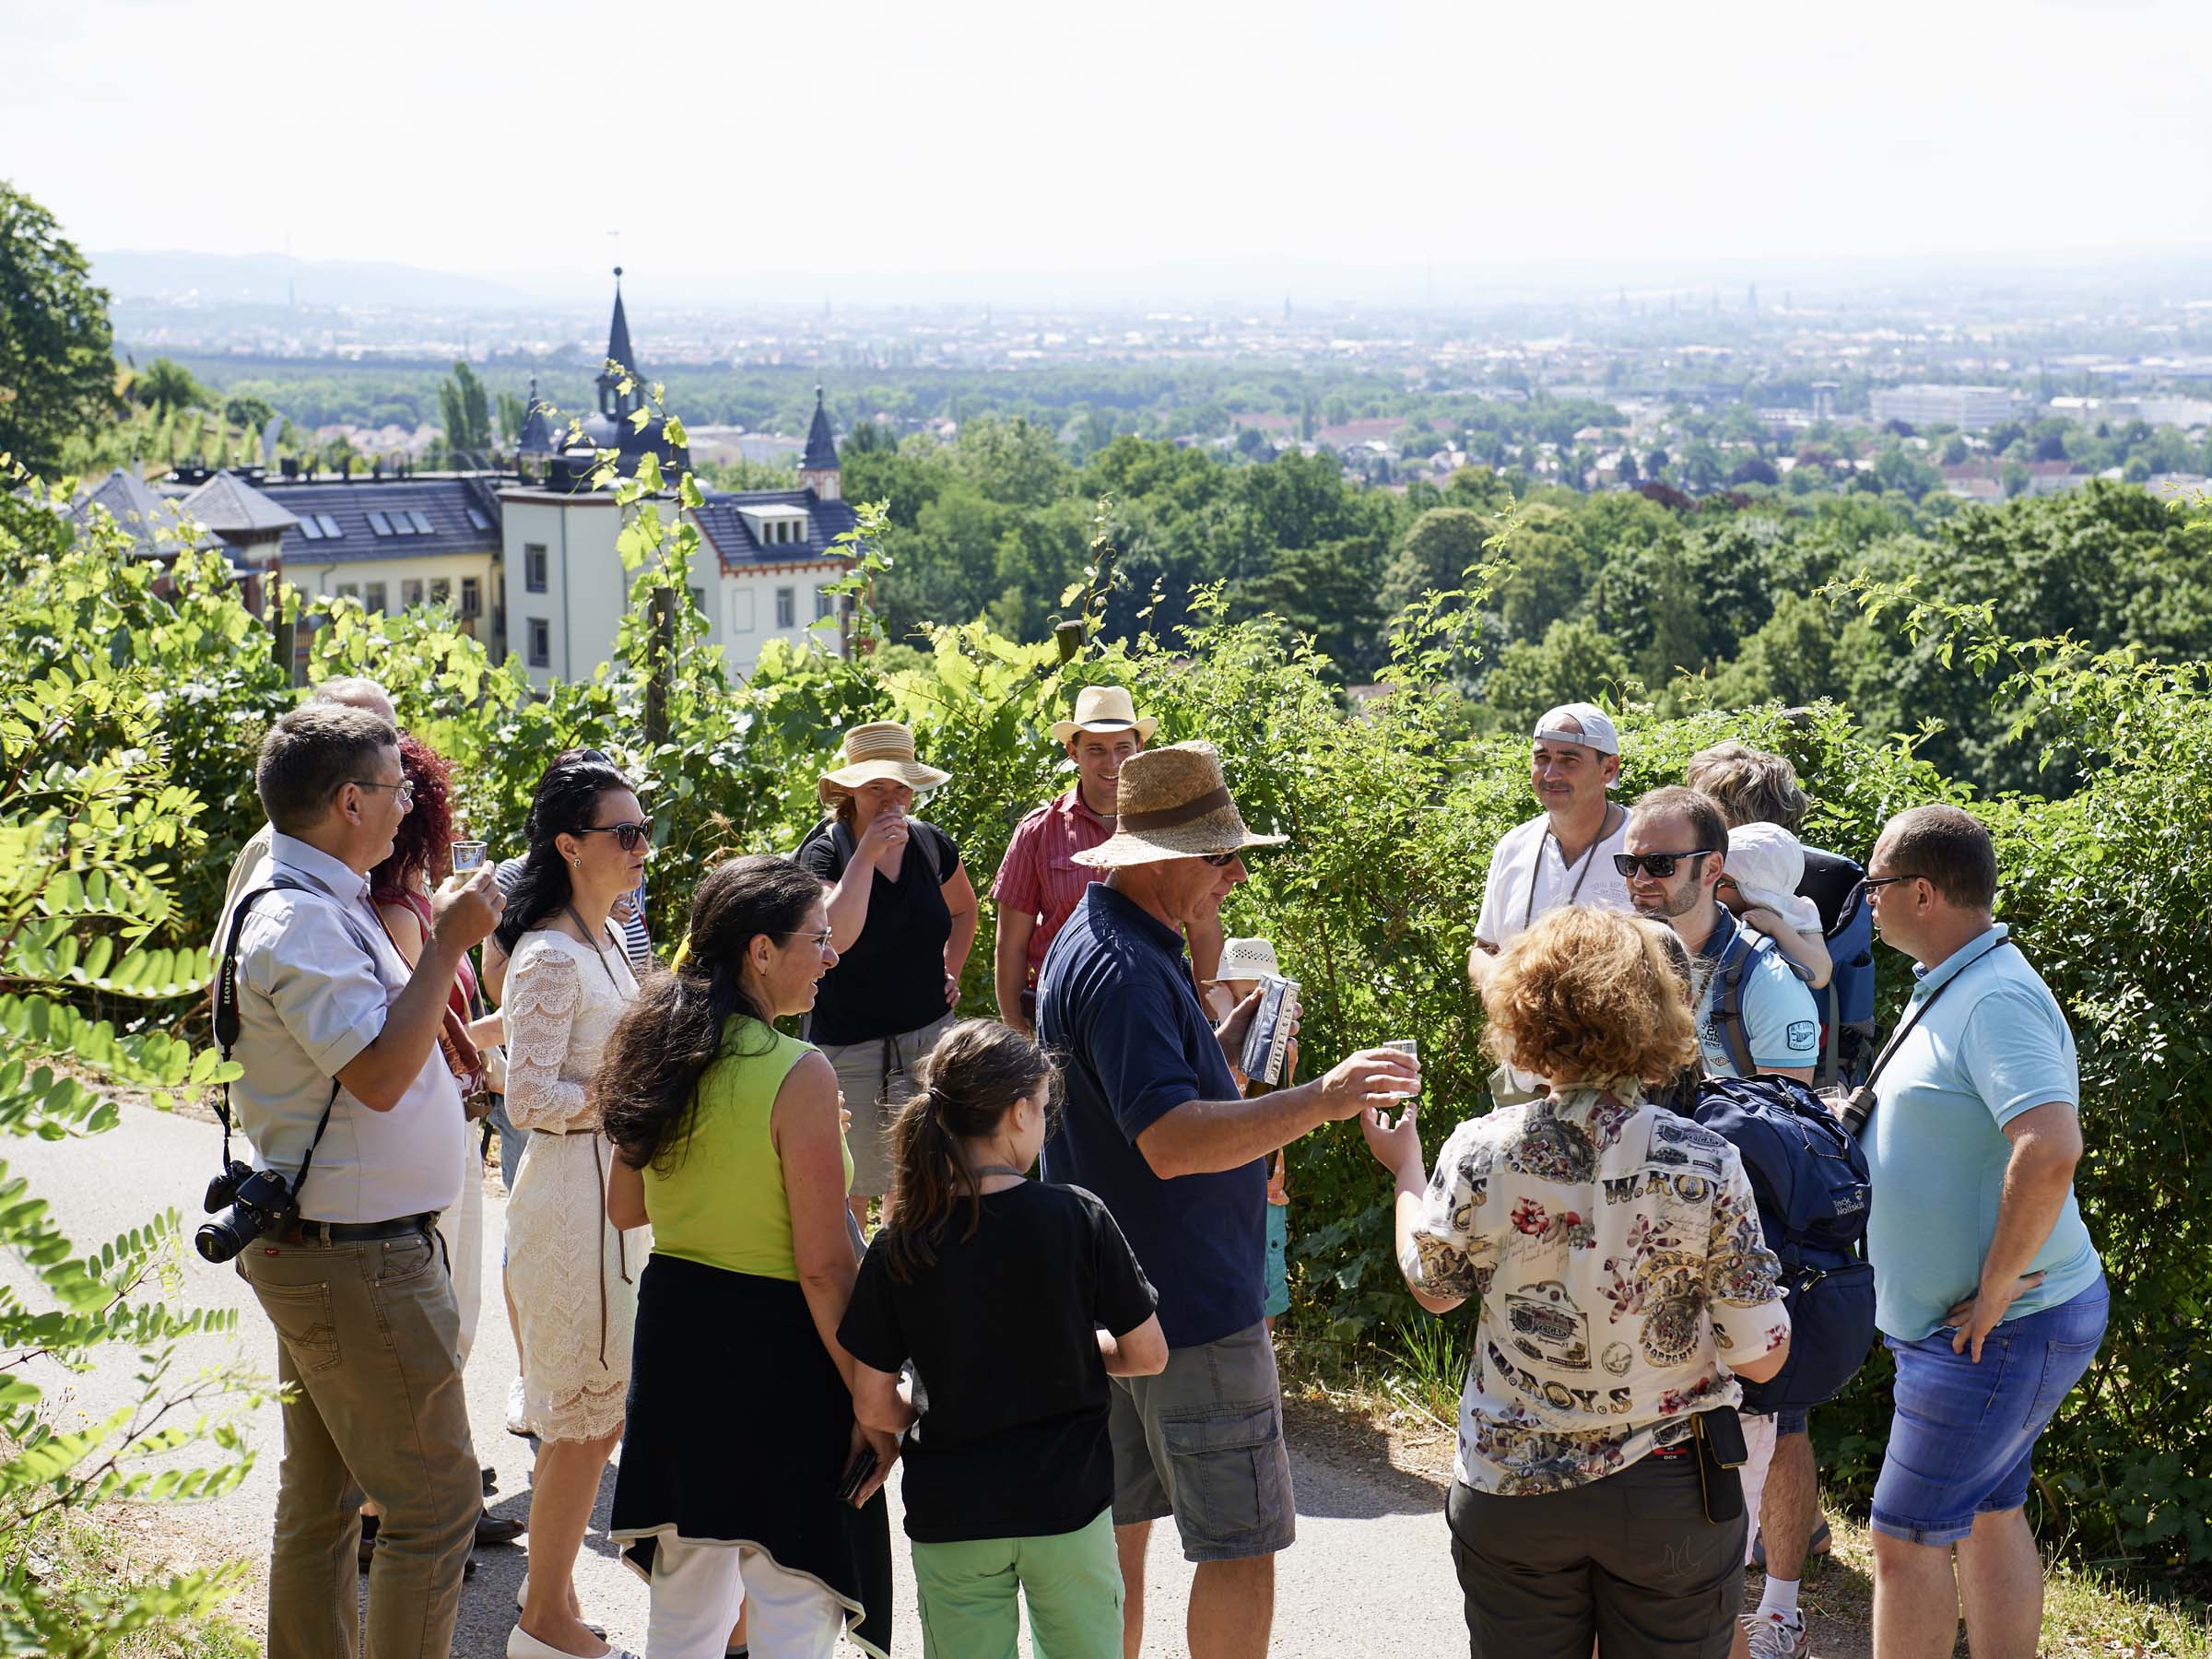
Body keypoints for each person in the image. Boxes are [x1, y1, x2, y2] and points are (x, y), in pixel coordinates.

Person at [1036, 740, 1417, 1659]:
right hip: (1190, 1312)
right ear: (1159, 857)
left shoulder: (1102, 944)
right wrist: (1324, 1098)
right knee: (1241, 1550)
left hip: (1116, 1301)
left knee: (1110, 1548)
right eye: (1221, 855)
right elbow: (1169, 1142)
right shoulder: (1127, 968)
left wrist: (1223, 1048)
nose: (1236, 875)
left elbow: (1145, 1100)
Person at [1360, 905, 1793, 1659]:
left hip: (1511, 1486)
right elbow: (1761, 1356)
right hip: (1670, 1497)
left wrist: (1404, 1167)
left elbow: (1435, 1287)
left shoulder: (1478, 1149)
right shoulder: (1704, 1160)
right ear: (1656, 1014)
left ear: (1523, 1016)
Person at [215, 701, 503, 1659]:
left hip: (338, 1246)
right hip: (359, 1260)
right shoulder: (299, 918)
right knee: (434, 1506)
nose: (408, 803)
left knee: (325, 1498)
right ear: (349, 800)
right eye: (397, 787)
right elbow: (378, 1076)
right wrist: (454, 939)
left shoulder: (319, 899)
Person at [601, 856, 895, 1659]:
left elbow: (625, 1209)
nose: (831, 955)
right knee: (792, 1610)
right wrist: (872, 1398)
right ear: (760, 951)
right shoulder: (797, 1070)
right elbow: (825, 1266)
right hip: (779, 1349)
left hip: (678, 1333)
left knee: (685, 1613)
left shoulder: (653, 1042)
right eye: (819, 939)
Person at [1857, 806, 2105, 1659]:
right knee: (1990, 1513)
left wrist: (1995, 1286)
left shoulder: (1992, 995)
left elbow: (2050, 1149)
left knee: (1904, 1538)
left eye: (1876, 885)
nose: (1869, 900)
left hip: (1991, 1330)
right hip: (1981, 1329)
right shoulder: (1959, 977)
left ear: (1922, 892)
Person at [840, 1019, 1169, 1659]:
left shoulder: (901, 1241)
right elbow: (1147, 1353)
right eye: (1044, 1109)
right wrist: (1082, 1349)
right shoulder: (1078, 1217)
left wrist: (920, 1417)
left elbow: (872, 1399)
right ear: (1019, 1113)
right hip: (1067, 1508)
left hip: (954, 1515)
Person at [494, 757, 652, 1659]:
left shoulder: (603, 938)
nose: (640, 848)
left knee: (593, 1419)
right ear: (569, 845)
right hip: (568, 1205)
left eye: (642, 830)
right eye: (622, 833)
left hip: (607, 1204)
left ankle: (544, 1609)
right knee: (582, 1419)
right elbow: (526, 1099)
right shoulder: (552, 953)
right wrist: (629, 1098)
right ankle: (544, 1618)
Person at [364, 732, 524, 1567]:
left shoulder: (419, 904)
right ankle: (408, 1511)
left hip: (455, 1122)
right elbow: (413, 1031)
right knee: (435, 1323)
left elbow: (447, 1026)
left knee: (452, 1318)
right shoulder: (396, 910)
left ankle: (443, 1496)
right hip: (430, 1133)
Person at [799, 721, 979, 1229]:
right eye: (876, 786)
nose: (891, 799)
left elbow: (965, 912)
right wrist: (867, 857)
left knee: (918, 1175)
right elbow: (833, 936)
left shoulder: (930, 845)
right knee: (850, 1183)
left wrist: (952, 966)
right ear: (849, 790)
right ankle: (855, 1289)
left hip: (927, 1037)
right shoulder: (824, 854)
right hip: (848, 1045)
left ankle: (903, 1279)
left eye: (900, 786)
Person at [992, 685, 1222, 1034]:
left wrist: (1210, 1027)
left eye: (1122, 748)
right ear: (1073, 752)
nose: (1112, 762)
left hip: (1154, 1011)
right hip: (1064, 1019)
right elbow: (1010, 945)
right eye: (1096, 749)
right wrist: (1018, 1040)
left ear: (1139, 748)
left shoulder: (1171, 830)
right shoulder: (1038, 831)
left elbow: (1203, 929)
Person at [1467, 702, 1633, 1102]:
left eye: (1569, 760)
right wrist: (1510, 996)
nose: (1551, 773)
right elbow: (1483, 948)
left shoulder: (1644, 845)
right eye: (1542, 758)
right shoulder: (1514, 846)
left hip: (1615, 1086)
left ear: (1608, 769)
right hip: (1520, 1079)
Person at [1622, 787, 1820, 1087]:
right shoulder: (1614, 960)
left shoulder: (1768, 983)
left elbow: (1786, 1120)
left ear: (1711, 869)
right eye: (1629, 863)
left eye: (1660, 864)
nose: (1639, 879)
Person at [220, 675, 397, 919]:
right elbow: (229, 947)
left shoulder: (389, 832)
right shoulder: (272, 847)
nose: (389, 743)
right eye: (360, 730)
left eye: (394, 731)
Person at [1198, 938, 1293, 1331]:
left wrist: (1225, 1016)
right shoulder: (1209, 1036)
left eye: (1246, 998)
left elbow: (1241, 1090)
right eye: (1233, 996)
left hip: (1264, 1187)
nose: (1239, 1007)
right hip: (1218, 1184)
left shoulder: (1279, 1043)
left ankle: (1263, 1358)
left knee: (1265, 1277)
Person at [1717, 822, 1830, 991]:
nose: (1709, 885)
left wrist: (1776, 927)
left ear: (1748, 891)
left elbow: (1819, 975)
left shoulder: (1799, 913)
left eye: (1720, 882)